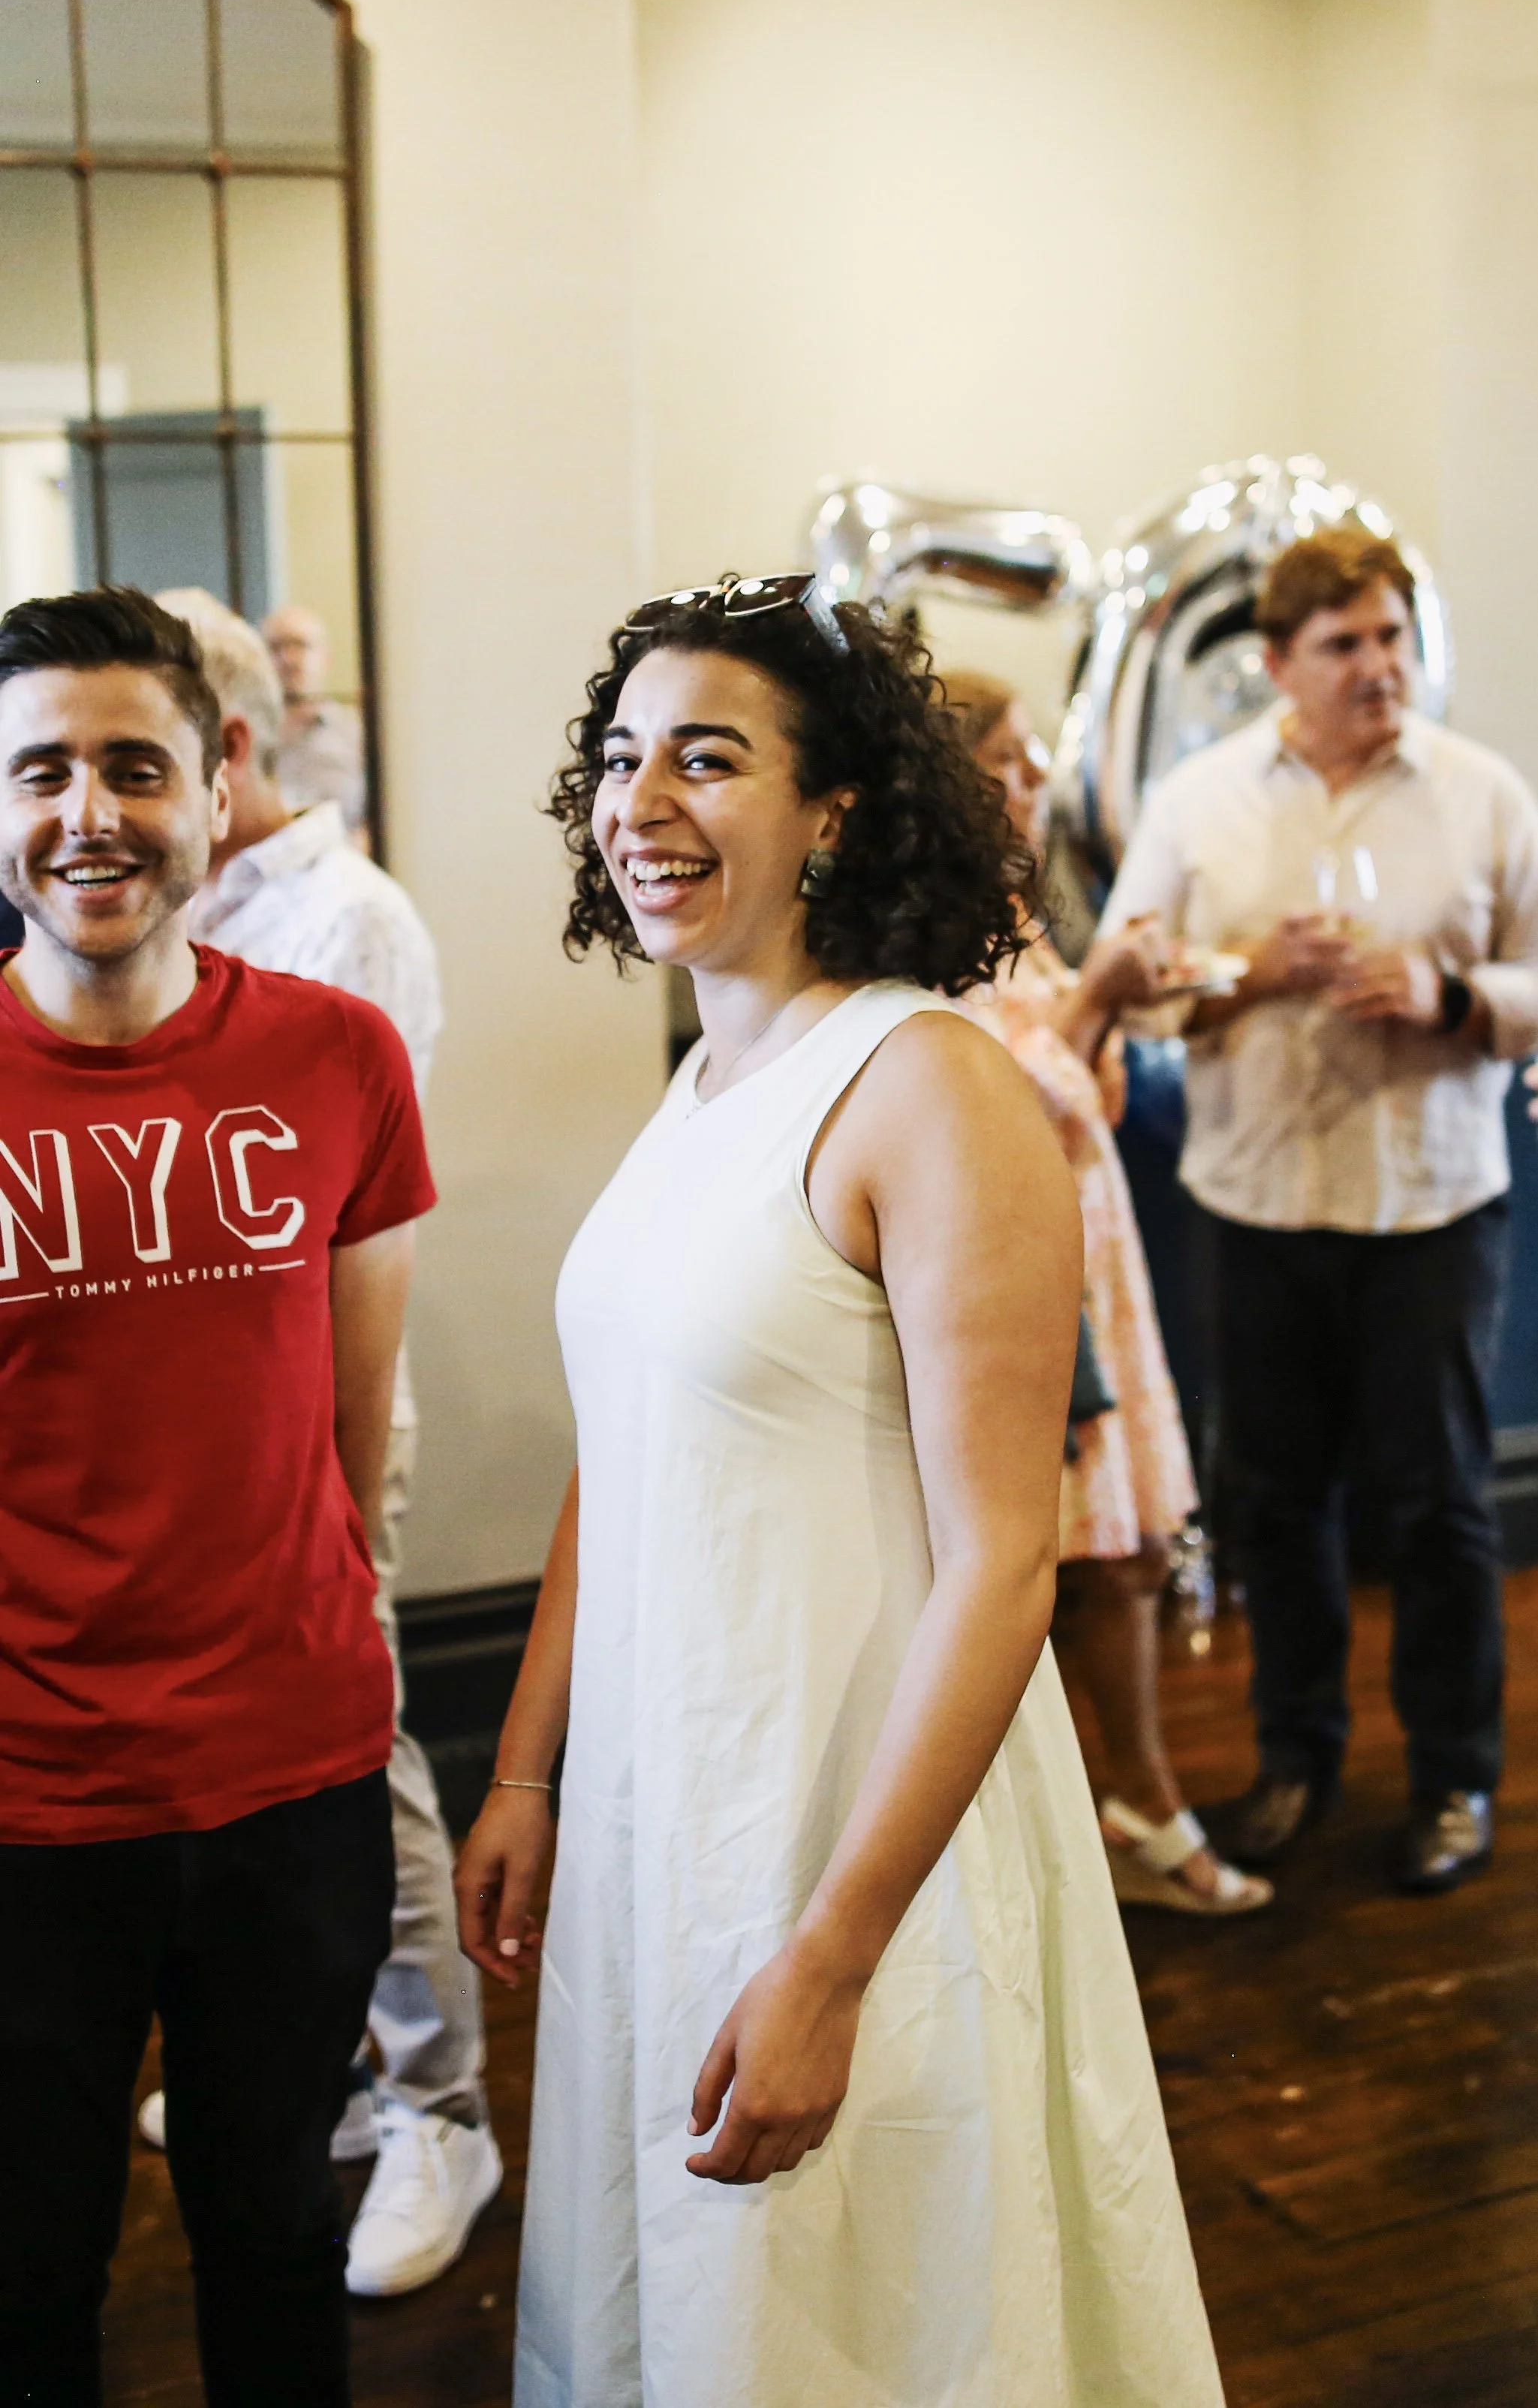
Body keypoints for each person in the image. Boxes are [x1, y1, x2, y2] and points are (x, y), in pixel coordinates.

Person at [456, 573, 1225, 2407]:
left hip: (853, 1809)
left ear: (837, 806)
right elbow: (623, 1446)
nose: (640, 802)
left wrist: (829, 1953)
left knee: (874, 2300)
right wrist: (521, 1765)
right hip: (668, 1781)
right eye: (620, 759)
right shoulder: (706, 1079)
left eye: (704, 758)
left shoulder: (928, 1085)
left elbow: (1001, 1566)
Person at [0, 585, 435, 2406]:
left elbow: (348, 1437)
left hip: (289, 1780)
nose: (87, 810)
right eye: (40, 769)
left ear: (217, 779)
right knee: (30, 2275)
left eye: (132, 763)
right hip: (28, 1806)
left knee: (274, 2233)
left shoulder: (337, 1057)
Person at [132, 591, 499, 2300]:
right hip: (177, 1436)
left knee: (366, 1750)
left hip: (317, 1411)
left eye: (139, 752)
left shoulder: (350, 926)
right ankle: (331, 2054)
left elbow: (305, 1196)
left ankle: (444, 2105)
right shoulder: (155, 902)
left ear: (226, 752)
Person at [1103, 525, 1538, 1893]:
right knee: (1272, 1503)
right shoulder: (1195, 799)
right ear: (1277, 662)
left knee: (1438, 1509)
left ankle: (1453, 1776)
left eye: (1390, 635)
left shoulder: (1481, 793)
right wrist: (1246, 976)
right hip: (1254, 1200)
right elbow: (1132, 975)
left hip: (1427, 1202)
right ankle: (1292, 1759)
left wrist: (1447, 997)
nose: (1377, 666)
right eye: (1343, 643)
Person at [944, 670, 1268, 1917]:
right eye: (1007, 763)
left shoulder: (1009, 915)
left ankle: (1122, 1804)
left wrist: (1117, 1005)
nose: (1033, 783)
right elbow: (987, 1107)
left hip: (1089, 1246)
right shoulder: (918, 935)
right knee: (1078, 1556)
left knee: (1124, 1547)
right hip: (1021, 1267)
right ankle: (1109, 1812)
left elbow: (1089, 1094)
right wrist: (1096, 1000)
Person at [263, 604, 367, 832]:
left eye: (300, 645)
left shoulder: (357, 734)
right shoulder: (249, 740)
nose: (288, 658)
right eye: (276, 648)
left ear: (326, 658)